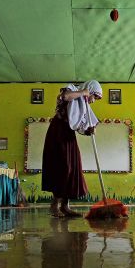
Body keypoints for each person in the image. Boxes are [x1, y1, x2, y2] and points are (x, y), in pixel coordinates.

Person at [41, 80, 102, 217]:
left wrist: (88, 131)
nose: (93, 101)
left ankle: (65, 206)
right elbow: (65, 97)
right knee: (63, 167)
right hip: (57, 132)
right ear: (90, 91)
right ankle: (54, 205)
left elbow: (79, 125)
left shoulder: (83, 105)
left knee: (73, 167)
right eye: (95, 97)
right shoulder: (71, 91)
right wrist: (83, 93)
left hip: (69, 134)